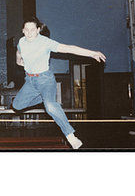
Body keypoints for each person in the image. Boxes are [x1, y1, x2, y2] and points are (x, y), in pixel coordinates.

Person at [13, 16, 106, 149]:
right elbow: (18, 52)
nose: (29, 33)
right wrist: (19, 62)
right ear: (22, 30)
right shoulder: (21, 42)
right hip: (30, 81)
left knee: (50, 106)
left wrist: (91, 53)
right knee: (16, 105)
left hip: (45, 80)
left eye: (32, 30)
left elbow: (69, 48)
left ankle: (70, 135)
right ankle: (43, 98)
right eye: (26, 30)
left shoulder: (46, 42)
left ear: (38, 30)